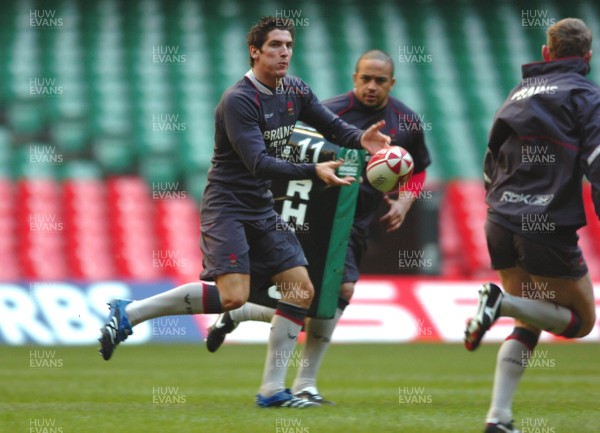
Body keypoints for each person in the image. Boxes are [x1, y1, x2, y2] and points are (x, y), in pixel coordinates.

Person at [97, 16, 391, 409]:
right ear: (255, 51)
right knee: (232, 296)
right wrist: (313, 170)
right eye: (275, 46)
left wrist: (361, 139)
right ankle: (130, 312)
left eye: (288, 45)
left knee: (300, 290)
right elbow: (259, 163)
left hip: (260, 206)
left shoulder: (295, 90)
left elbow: (332, 126)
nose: (284, 52)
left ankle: (272, 390)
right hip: (227, 205)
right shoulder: (239, 99)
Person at [205, 49, 431, 404]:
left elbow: (417, 168)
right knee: (328, 293)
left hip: (357, 221)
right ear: (354, 77)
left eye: (380, 80)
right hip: (316, 214)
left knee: (326, 297)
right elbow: (285, 148)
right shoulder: (331, 111)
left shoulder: (407, 121)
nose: (371, 86)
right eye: (365, 79)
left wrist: (405, 199)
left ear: (392, 82)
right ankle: (301, 382)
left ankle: (245, 313)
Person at [463, 18, 599, 433]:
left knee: (532, 317)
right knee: (580, 322)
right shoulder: (586, 95)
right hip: (546, 224)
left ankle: (498, 418)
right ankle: (497, 303)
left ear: (546, 53)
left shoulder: (517, 93)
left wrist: (501, 206)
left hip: (500, 220)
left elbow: (490, 161)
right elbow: (597, 162)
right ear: (588, 59)